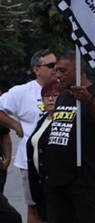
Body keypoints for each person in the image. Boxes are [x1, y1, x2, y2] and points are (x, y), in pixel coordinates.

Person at [43, 51, 95, 223]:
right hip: (57, 180)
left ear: (79, 71)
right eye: (56, 70)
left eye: (63, 71)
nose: (58, 75)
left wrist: (89, 101)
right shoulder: (63, 96)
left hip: (84, 181)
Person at [0, 49, 57, 223]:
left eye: (57, 64)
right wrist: (15, 125)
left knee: (58, 208)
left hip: (59, 162)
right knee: (35, 207)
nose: (55, 69)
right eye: (50, 65)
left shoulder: (66, 89)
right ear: (36, 69)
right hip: (31, 162)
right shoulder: (22, 91)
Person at [26, 78, 64, 222]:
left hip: (56, 186)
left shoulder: (63, 121)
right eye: (46, 96)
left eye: (55, 95)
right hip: (40, 185)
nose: (50, 99)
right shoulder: (43, 120)